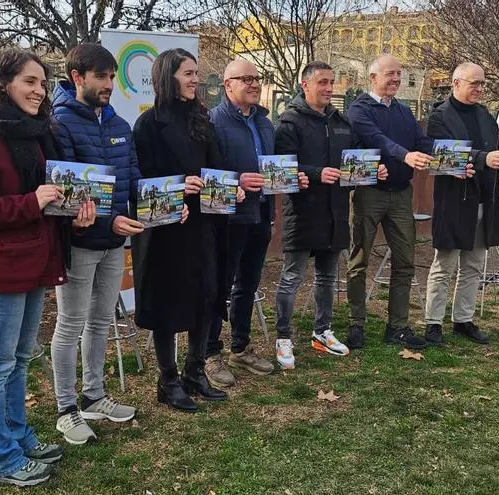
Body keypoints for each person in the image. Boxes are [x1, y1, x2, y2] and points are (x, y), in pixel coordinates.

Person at [0, 48, 96, 486]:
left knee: (18, 360)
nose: (39, 90)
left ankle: (16, 435)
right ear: (2, 83)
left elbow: (47, 201)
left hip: (34, 263)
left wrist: (74, 214)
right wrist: (30, 203)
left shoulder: (35, 135)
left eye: (43, 83)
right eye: (29, 81)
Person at [49, 43, 141, 445]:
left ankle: (94, 395)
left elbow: (133, 180)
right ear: (78, 77)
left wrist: (163, 208)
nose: (110, 84)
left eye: (113, 76)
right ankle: (66, 409)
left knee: (101, 321)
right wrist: (104, 219)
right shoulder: (59, 124)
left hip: (114, 242)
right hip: (79, 243)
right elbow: (68, 193)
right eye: (102, 77)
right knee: (69, 325)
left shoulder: (120, 125)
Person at [273, 61, 387, 369]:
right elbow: (280, 168)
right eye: (322, 82)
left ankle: (322, 332)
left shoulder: (341, 121)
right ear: (305, 84)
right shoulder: (289, 122)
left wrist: (371, 169)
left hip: (335, 211)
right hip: (302, 211)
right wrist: (314, 172)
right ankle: (283, 338)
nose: (328, 88)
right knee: (292, 276)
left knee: (327, 276)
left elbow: (353, 160)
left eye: (331, 82)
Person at [132, 48, 229, 412]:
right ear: (167, 77)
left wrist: (218, 186)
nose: (195, 80)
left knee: (205, 296)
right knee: (168, 302)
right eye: (188, 73)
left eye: (196, 73)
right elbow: (139, 182)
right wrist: (176, 187)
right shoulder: (148, 125)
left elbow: (215, 168)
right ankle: (167, 379)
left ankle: (195, 371)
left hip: (202, 224)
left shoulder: (202, 119)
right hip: (165, 231)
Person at [204, 59, 307, 387]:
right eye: (245, 79)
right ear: (227, 84)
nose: (253, 84)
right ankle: (210, 353)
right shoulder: (214, 122)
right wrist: (235, 180)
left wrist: (292, 177)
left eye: (257, 78)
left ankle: (240, 347)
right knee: (220, 287)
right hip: (229, 219)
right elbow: (206, 173)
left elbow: (272, 169)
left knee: (248, 284)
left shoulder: (265, 123)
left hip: (261, 213)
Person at [345, 54, 435, 351]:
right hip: (369, 192)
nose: (397, 79)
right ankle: (356, 323)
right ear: (373, 77)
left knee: (405, 261)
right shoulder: (359, 108)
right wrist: (404, 154)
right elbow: (377, 139)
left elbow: (421, 141)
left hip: (401, 193)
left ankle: (397, 326)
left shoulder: (404, 111)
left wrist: (448, 157)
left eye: (400, 74)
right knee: (359, 258)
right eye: (391, 74)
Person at [423, 62, 499, 346]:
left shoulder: (485, 114)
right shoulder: (439, 116)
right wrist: (482, 157)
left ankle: (463, 319)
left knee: (473, 265)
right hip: (454, 201)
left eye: (482, 83)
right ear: (456, 83)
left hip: (484, 198)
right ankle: (433, 323)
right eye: (475, 84)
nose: (480, 89)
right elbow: (440, 150)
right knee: (444, 265)